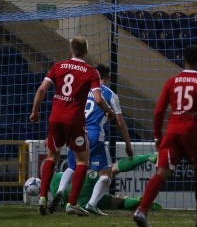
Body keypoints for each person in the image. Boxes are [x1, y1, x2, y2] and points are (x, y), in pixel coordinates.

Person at [133, 44, 197, 227]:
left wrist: (156, 135)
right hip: (192, 131)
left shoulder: (172, 81)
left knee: (161, 173)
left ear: (184, 60)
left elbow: (158, 111)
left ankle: (141, 210)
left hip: (171, 131)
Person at [30, 36, 115, 216]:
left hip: (55, 118)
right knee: (82, 160)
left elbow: (41, 89)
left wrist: (35, 111)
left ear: (71, 50)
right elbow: (98, 99)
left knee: (52, 157)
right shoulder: (91, 72)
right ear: (86, 51)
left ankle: (43, 197)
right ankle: (72, 203)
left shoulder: (58, 66)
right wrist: (109, 112)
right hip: (75, 120)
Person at [46, 63, 134, 216]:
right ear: (108, 78)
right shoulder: (110, 94)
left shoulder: (82, 89)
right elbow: (120, 122)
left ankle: (60, 192)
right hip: (94, 135)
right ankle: (92, 204)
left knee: (72, 167)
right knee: (106, 174)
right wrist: (128, 144)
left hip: (74, 130)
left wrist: (52, 135)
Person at [49, 152, 161, 212]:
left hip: (81, 202)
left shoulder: (53, 191)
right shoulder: (56, 177)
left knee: (119, 203)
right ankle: (149, 156)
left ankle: (139, 202)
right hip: (80, 187)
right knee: (112, 169)